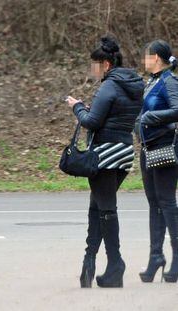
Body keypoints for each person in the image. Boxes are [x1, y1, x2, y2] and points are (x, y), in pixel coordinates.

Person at [66, 36, 144, 288]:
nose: (93, 70)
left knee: (106, 210)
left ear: (107, 64)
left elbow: (91, 122)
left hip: (105, 154)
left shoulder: (109, 87)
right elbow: (119, 115)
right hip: (124, 152)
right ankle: (88, 265)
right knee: (98, 207)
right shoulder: (133, 84)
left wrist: (77, 107)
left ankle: (115, 265)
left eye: (95, 65)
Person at [138, 39, 178, 283]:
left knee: (167, 203)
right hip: (147, 149)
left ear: (156, 58)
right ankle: (156, 257)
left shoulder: (170, 82)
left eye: (146, 56)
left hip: (165, 149)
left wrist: (151, 117)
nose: (144, 60)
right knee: (154, 204)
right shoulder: (151, 82)